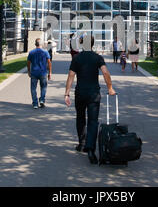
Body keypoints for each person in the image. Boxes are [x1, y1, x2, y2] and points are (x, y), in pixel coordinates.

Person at [64, 35, 116, 164]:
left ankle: (81, 144)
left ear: (82, 44)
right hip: (93, 94)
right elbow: (105, 72)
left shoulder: (77, 58)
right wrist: (110, 88)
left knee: (80, 118)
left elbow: (71, 75)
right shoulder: (98, 57)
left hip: (80, 93)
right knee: (93, 121)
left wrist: (67, 93)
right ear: (92, 44)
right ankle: (91, 149)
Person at [27, 38, 52, 109]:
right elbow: (49, 63)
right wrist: (50, 72)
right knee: (43, 87)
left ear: (35, 44)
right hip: (43, 73)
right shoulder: (45, 52)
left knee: (33, 88)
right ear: (41, 44)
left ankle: (35, 103)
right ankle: (42, 100)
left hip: (34, 72)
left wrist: (29, 71)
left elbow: (28, 63)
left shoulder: (31, 52)